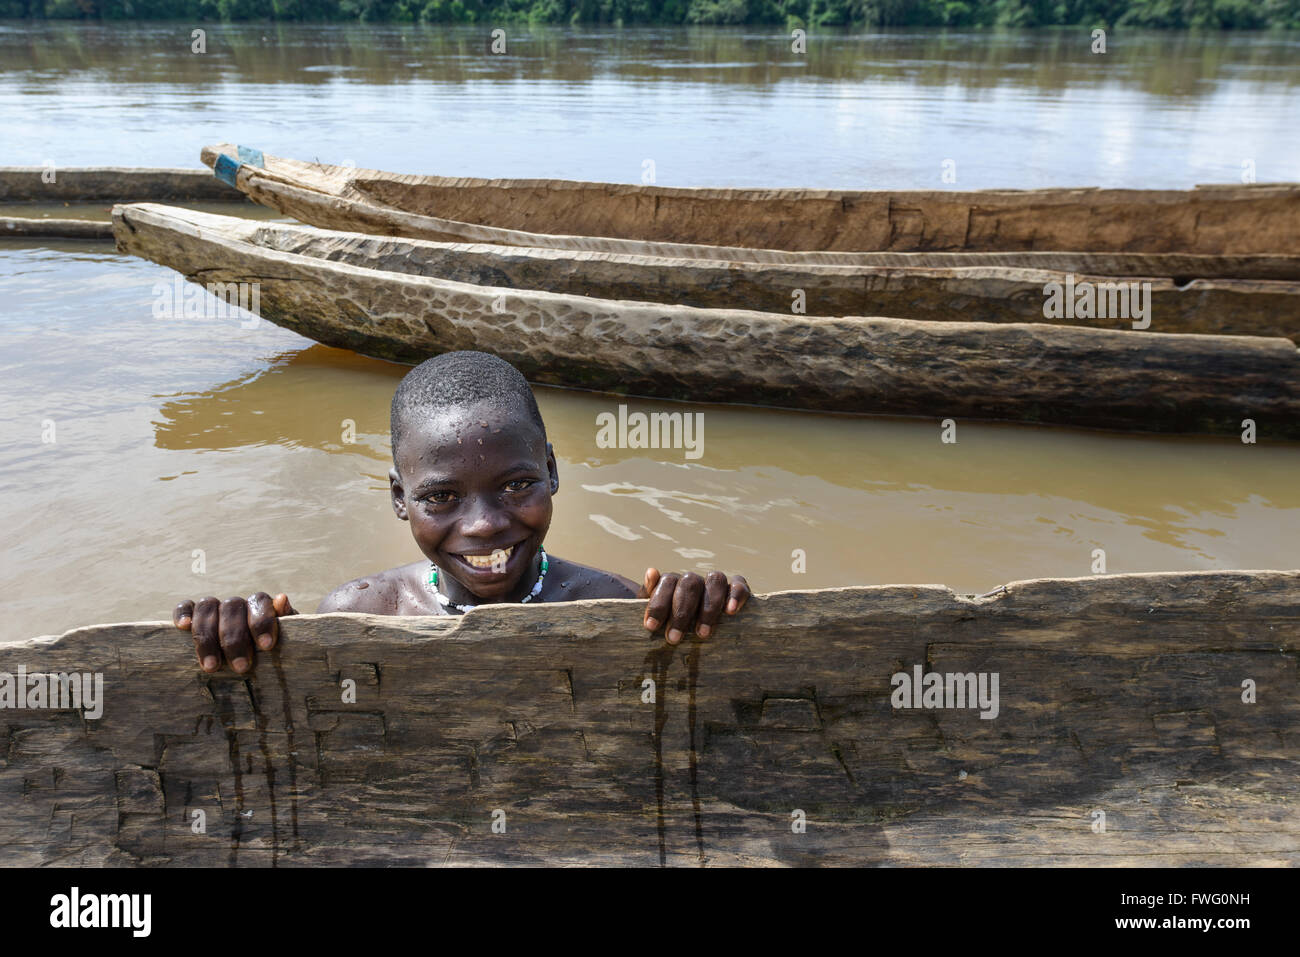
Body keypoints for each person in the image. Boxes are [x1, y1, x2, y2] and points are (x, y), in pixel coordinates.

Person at [173, 350, 750, 674]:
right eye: (442, 496)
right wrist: (246, 637)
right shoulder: (361, 613)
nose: (484, 524)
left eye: (517, 484)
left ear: (552, 471)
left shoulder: (619, 607)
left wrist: (704, 613)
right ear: (401, 498)